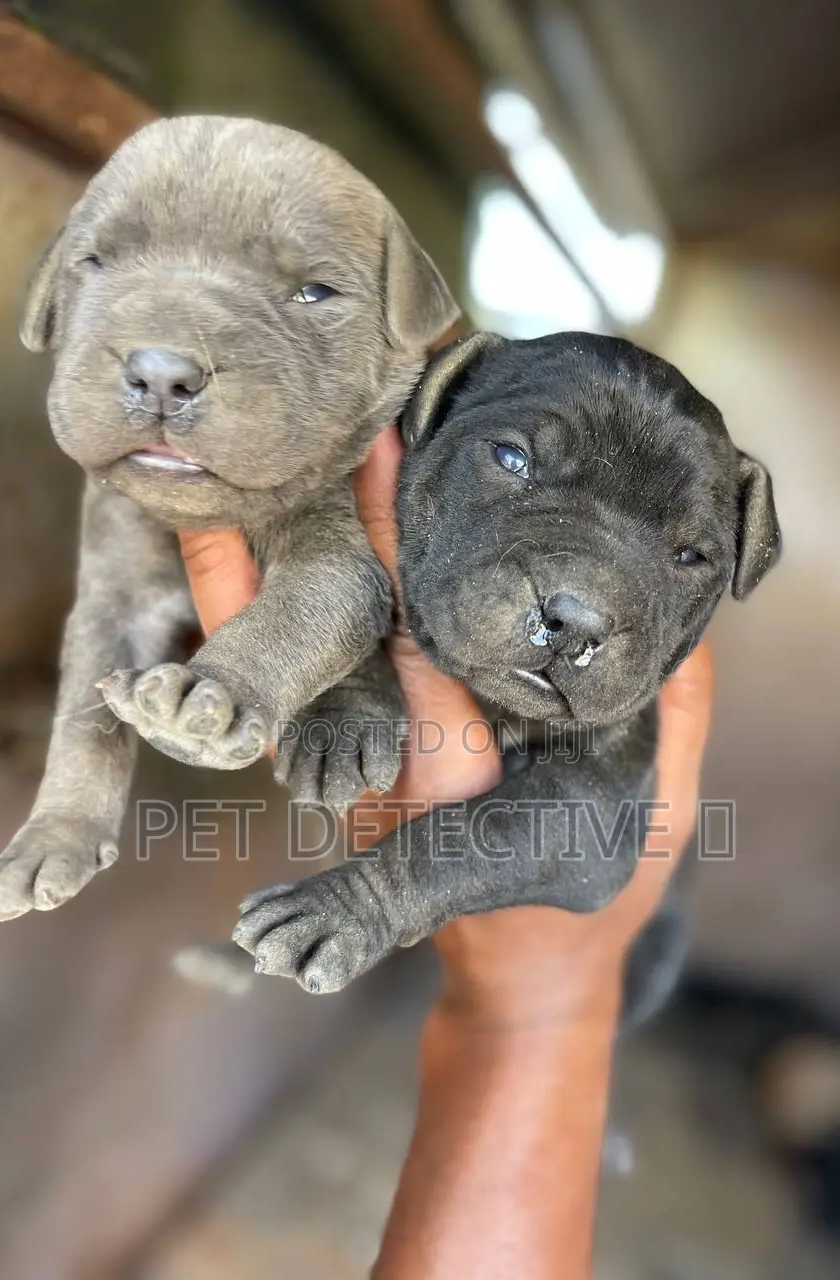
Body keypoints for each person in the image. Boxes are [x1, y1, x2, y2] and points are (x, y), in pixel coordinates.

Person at [179, 423, 713, 1280]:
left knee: (641, 971)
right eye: (511, 457)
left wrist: (379, 896)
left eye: (689, 553)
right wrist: (349, 682)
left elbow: (582, 830)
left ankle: (590, 1093)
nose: (577, 601)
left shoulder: (621, 703)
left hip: (614, 941)